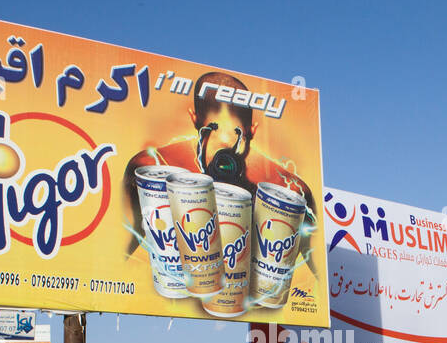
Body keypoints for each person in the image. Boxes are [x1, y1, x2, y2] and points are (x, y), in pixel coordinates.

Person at [123, 70, 317, 240]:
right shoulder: (292, 192)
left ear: (194, 117)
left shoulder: (146, 170)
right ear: (253, 129)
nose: (225, 158)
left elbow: (129, 248)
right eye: (213, 132)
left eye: (235, 136)